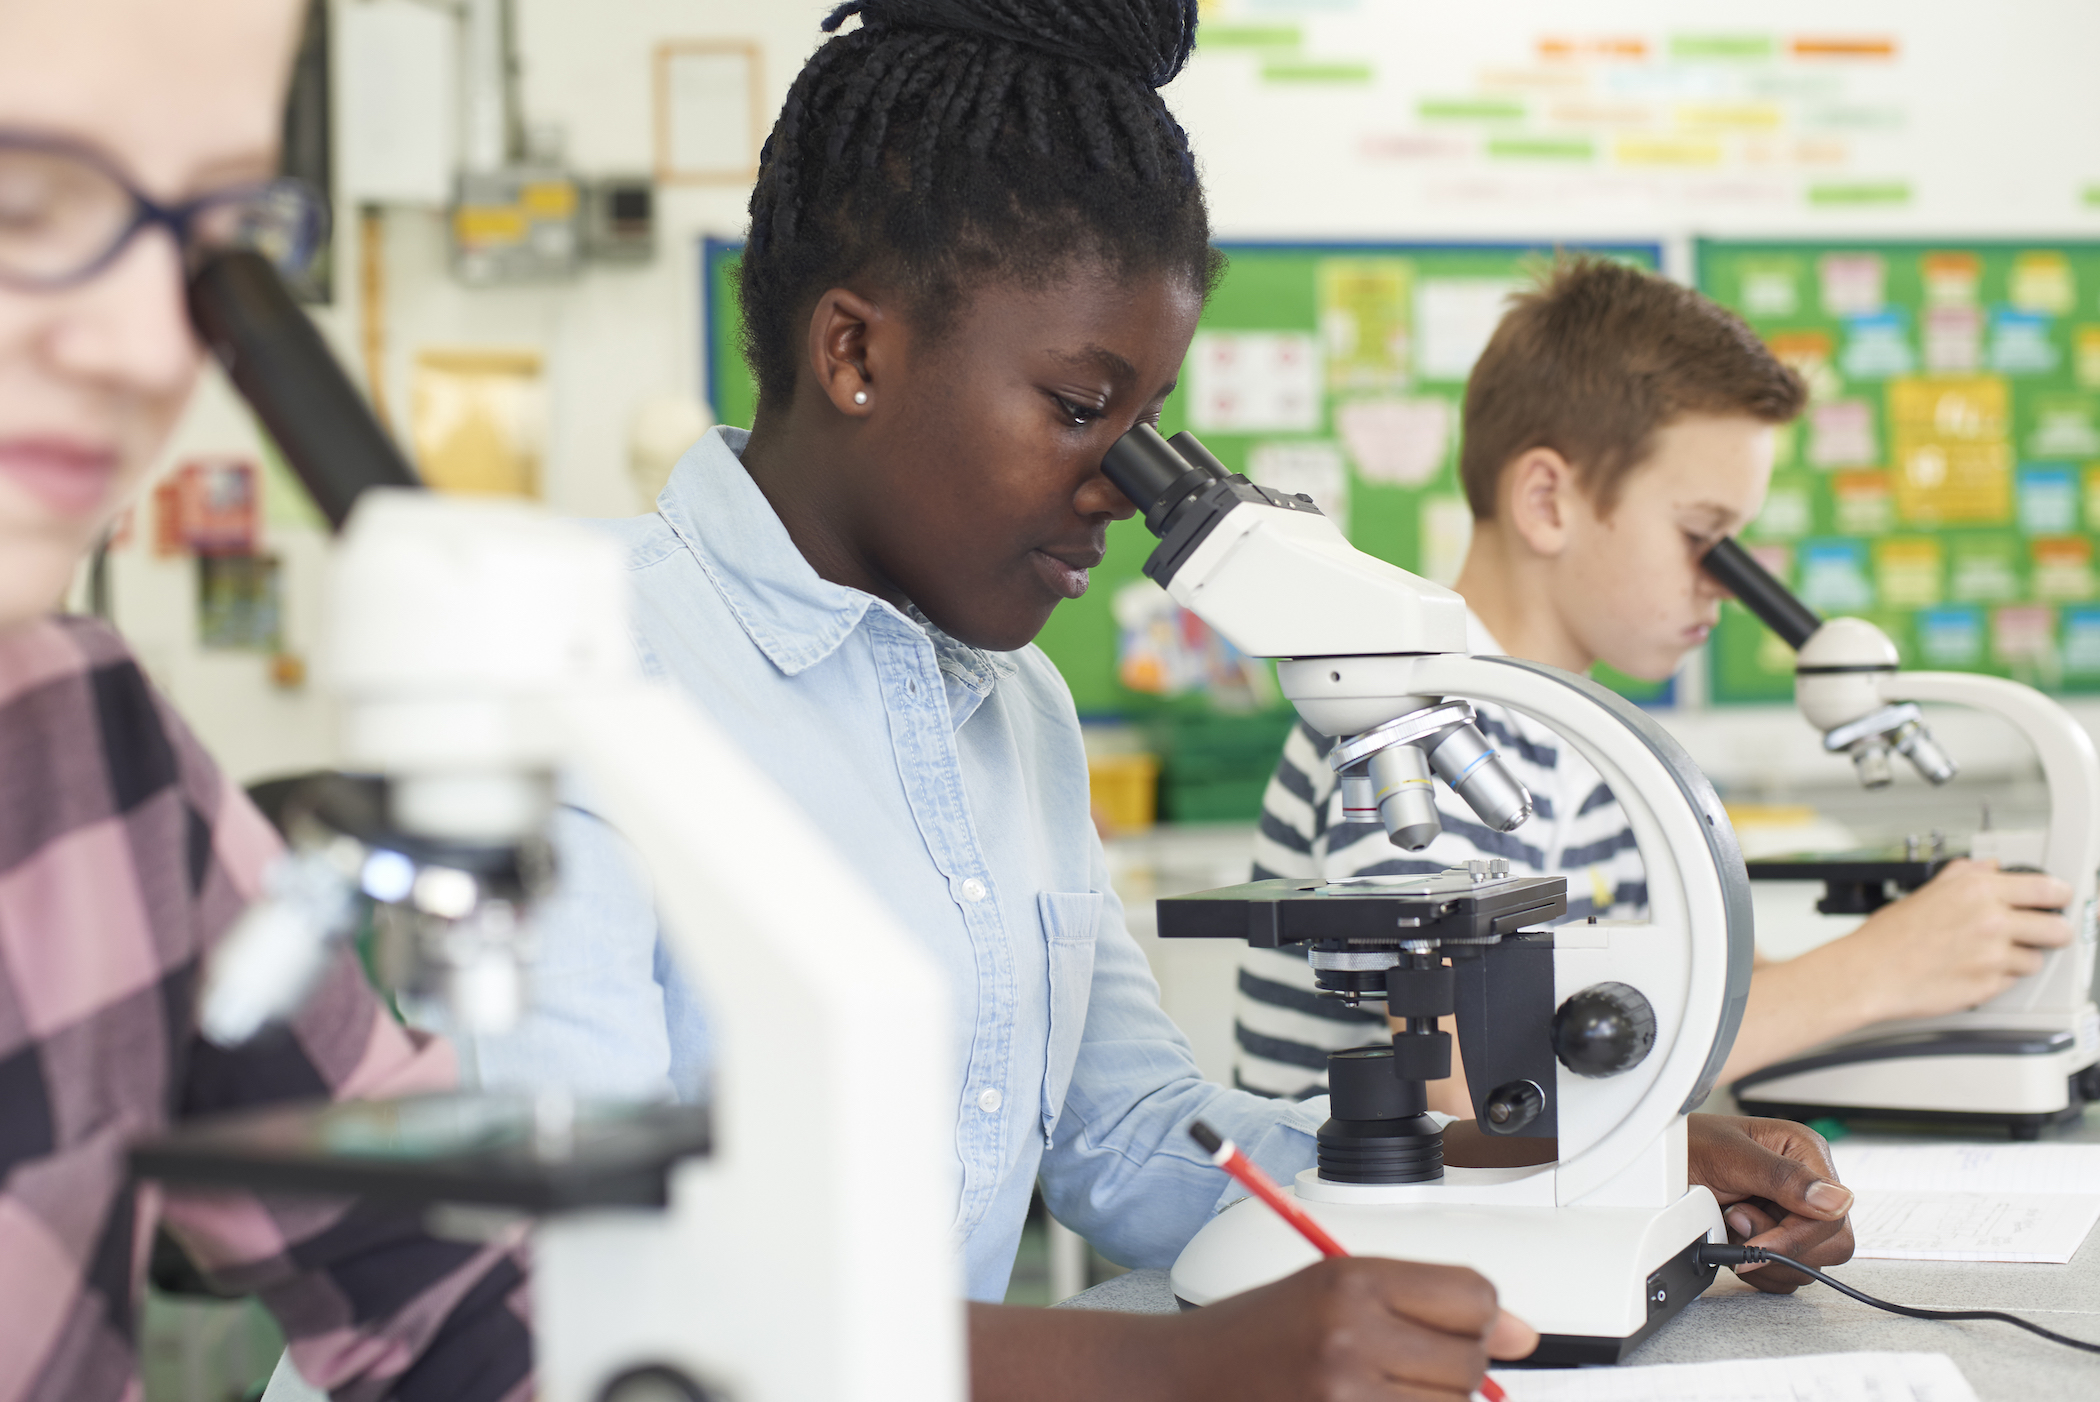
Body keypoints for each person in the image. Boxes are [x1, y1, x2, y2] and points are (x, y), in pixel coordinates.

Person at [438, 6, 1856, 1396]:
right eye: (1078, 404)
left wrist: (1589, 1170)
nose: (1125, 483)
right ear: (855, 354)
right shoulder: (566, 675)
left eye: (1149, 420)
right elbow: (568, 1287)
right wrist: (1167, 1366)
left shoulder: (1020, 710)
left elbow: (1129, 1135)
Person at [0, 1, 532, 1397]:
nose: (140, 347)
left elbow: (449, 1282)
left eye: (212, 242)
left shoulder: (93, 748)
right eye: (18, 202)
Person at [1233, 258, 2076, 1122]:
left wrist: (1940, 966)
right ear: (1549, 502)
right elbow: (1479, 1078)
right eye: (1704, 536)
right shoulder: (1407, 723)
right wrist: (1873, 971)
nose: (1726, 583)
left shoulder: (1582, 736)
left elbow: (1651, 997)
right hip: (1370, 1238)